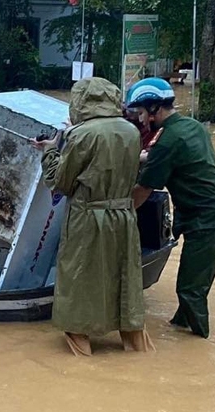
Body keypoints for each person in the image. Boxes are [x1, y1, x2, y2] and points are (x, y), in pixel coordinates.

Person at [32, 77, 154, 356]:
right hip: (124, 217)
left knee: (78, 282)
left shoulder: (81, 135)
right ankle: (139, 352)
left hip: (87, 217)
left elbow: (61, 182)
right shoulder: (131, 131)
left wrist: (50, 151)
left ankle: (82, 359)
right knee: (124, 278)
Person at [127, 77, 215, 339]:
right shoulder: (192, 126)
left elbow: (143, 191)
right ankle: (180, 328)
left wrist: (117, 213)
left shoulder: (168, 141)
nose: (141, 120)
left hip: (207, 222)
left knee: (190, 290)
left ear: (155, 108)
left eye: (142, 113)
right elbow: (159, 156)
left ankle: (200, 350)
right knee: (193, 284)